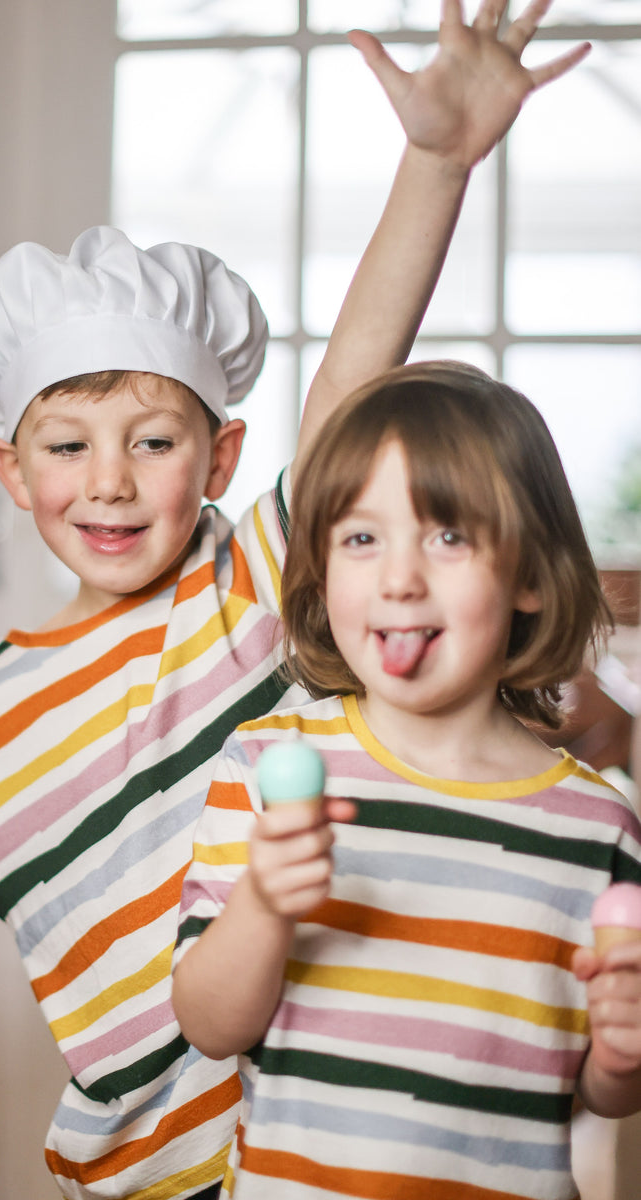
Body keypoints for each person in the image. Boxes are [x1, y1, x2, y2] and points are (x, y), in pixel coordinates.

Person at [0, 4, 591, 1197]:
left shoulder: (249, 582)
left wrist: (436, 162)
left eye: (151, 440)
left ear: (222, 459)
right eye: (68, 444)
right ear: (11, 471)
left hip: (328, 1138)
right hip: (148, 1171)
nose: (109, 481)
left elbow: (354, 378)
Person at [171, 359, 641, 1200]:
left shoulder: (597, 825)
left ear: (531, 574)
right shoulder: (268, 766)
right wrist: (266, 905)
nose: (398, 578)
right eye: (361, 537)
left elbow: (598, 1093)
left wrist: (622, 1049)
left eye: (449, 536)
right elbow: (209, 1027)